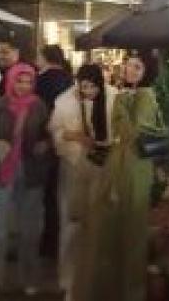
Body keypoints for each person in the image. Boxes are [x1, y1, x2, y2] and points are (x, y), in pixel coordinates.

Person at [83, 51, 166, 301]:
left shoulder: (144, 95)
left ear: (147, 73)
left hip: (133, 166)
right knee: (118, 227)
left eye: (137, 67)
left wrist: (120, 105)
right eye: (128, 65)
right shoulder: (130, 94)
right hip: (124, 164)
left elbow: (134, 133)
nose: (129, 70)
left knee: (130, 229)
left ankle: (129, 291)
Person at [0, 63, 51, 299]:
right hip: (0, 172)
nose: (23, 86)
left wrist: (45, 145)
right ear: (11, 81)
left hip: (31, 173)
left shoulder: (39, 106)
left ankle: (29, 279)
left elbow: (48, 136)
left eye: (28, 82)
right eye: (19, 81)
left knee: (30, 231)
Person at [49, 64, 117, 301]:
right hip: (73, 165)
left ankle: (95, 277)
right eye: (83, 85)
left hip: (103, 168)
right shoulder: (65, 100)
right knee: (72, 221)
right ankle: (69, 280)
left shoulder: (112, 97)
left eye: (91, 86)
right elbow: (55, 131)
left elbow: (118, 133)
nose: (87, 91)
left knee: (99, 223)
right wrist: (76, 136)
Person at [35, 44, 74, 261]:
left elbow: (39, 114)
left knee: (46, 195)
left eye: (38, 56)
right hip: (64, 144)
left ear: (46, 57)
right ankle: (58, 240)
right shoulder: (69, 79)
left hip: (45, 142)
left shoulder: (42, 81)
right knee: (58, 193)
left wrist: (43, 138)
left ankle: (47, 243)